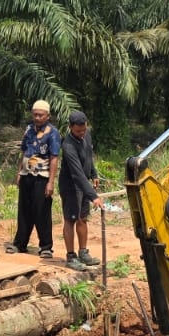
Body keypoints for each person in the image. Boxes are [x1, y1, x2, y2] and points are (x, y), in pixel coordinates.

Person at [9, 99, 59, 257]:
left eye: (40, 115)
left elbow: (54, 158)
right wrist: (19, 172)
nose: (37, 118)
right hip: (26, 175)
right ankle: (20, 243)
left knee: (41, 211)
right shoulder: (29, 130)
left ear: (47, 116)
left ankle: (45, 247)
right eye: (35, 115)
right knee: (24, 210)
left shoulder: (53, 133)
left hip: (42, 176)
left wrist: (51, 182)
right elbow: (24, 151)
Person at [59, 111, 103, 270]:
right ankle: (71, 257)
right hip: (71, 186)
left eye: (84, 130)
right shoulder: (68, 145)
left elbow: (89, 156)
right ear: (70, 128)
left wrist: (94, 173)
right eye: (78, 131)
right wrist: (93, 196)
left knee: (82, 218)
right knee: (70, 220)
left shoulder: (87, 135)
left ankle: (83, 252)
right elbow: (76, 173)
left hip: (84, 183)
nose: (82, 133)